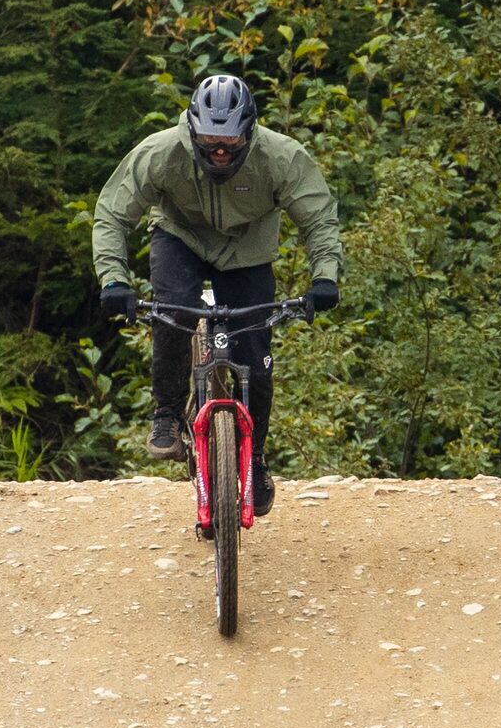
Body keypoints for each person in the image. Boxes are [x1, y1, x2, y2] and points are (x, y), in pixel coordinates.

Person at [91, 74, 342, 509]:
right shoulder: (160, 152)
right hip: (179, 239)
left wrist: (325, 278)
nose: (220, 152)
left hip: (247, 250)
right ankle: (167, 414)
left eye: (230, 143)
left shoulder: (281, 157)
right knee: (175, 313)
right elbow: (113, 214)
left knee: (257, 358)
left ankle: (255, 461)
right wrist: (114, 281)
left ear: (251, 132)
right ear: (191, 130)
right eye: (209, 142)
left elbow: (318, 219)